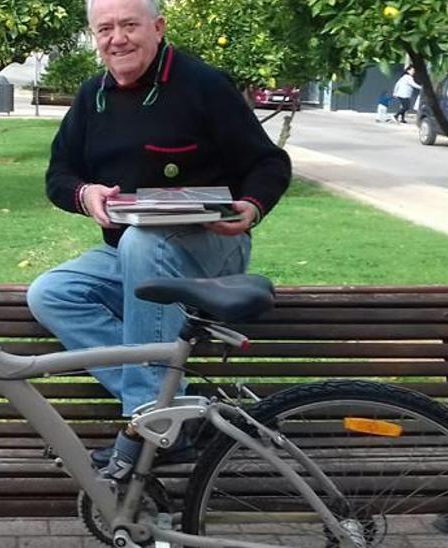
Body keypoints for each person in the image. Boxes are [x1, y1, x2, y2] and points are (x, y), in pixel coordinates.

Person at [25, 0, 291, 478]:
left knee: (140, 244)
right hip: (130, 254)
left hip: (214, 250)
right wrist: (84, 194)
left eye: (129, 25)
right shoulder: (93, 96)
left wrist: (250, 207)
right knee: (51, 293)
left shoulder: (204, 85)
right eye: (105, 28)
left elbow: (269, 163)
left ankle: (150, 425)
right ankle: (181, 406)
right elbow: (58, 174)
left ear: (159, 27)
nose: (117, 38)